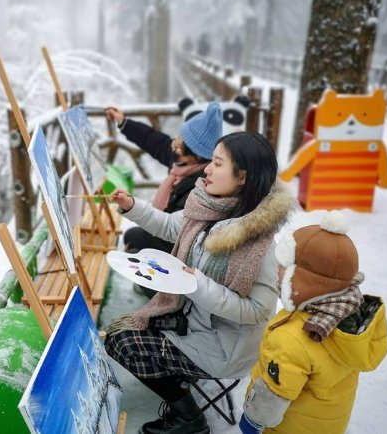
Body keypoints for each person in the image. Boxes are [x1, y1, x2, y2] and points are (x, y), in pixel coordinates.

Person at [106, 132, 295, 434]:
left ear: (242, 176)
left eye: (217, 164)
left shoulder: (258, 244)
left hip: (223, 348)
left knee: (121, 343)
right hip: (194, 321)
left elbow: (259, 311)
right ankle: (178, 384)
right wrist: (132, 206)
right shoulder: (212, 206)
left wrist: (198, 285)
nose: (207, 169)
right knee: (125, 327)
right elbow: (171, 226)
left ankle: (189, 419)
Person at [239, 211, 387, 434]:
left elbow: (272, 398)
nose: (277, 273)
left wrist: (253, 421)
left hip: (289, 427)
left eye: (283, 267)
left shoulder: (291, 338)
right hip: (327, 423)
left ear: (303, 279)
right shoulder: (347, 317)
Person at [105, 102, 222, 298]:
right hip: (169, 228)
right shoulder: (184, 162)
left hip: (184, 249)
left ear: (195, 154)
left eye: (180, 141)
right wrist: (123, 122)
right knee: (134, 238)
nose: (175, 142)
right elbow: (155, 141)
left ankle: (164, 297)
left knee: (135, 247)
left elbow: (179, 233)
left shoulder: (200, 185)